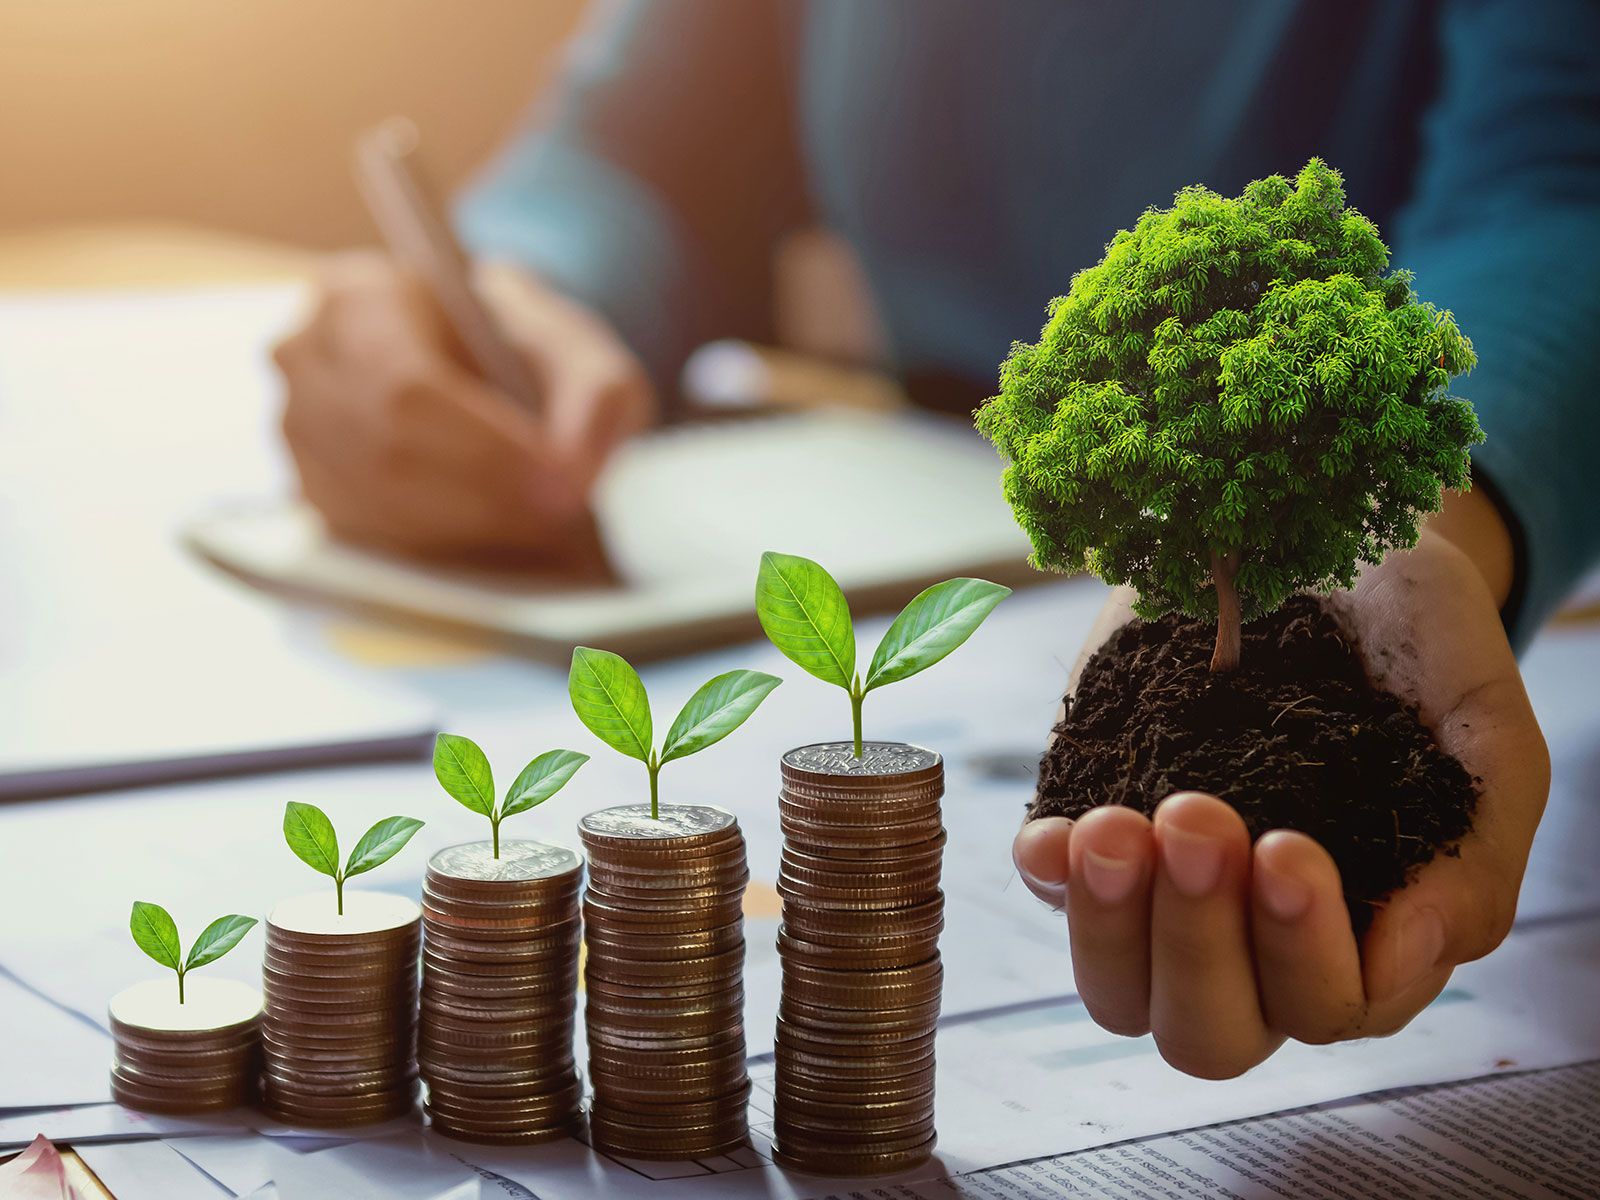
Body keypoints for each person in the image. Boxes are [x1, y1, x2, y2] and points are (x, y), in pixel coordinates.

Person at [273, 1, 1600, 1078]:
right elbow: (644, 142)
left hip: (1369, 455)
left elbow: (1564, 170)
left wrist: (1397, 497)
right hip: (950, 492)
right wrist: (515, 299)